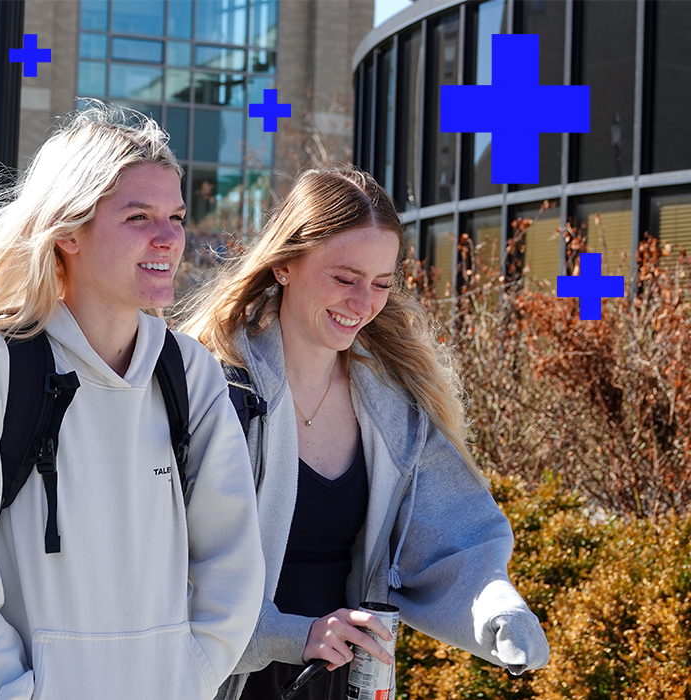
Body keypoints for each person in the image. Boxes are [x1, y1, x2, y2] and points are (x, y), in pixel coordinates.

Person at [0, 104, 264, 700]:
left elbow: (232, 563)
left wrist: (186, 676)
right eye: (138, 216)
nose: (169, 237)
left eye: (176, 216)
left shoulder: (189, 372)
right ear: (67, 232)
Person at [181, 167, 550, 700]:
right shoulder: (211, 389)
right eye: (344, 278)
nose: (363, 303)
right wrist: (288, 633)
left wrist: (496, 606)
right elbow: (165, 560)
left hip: (340, 683)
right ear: (285, 265)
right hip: (220, 680)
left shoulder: (393, 405)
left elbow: (453, 538)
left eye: (380, 284)